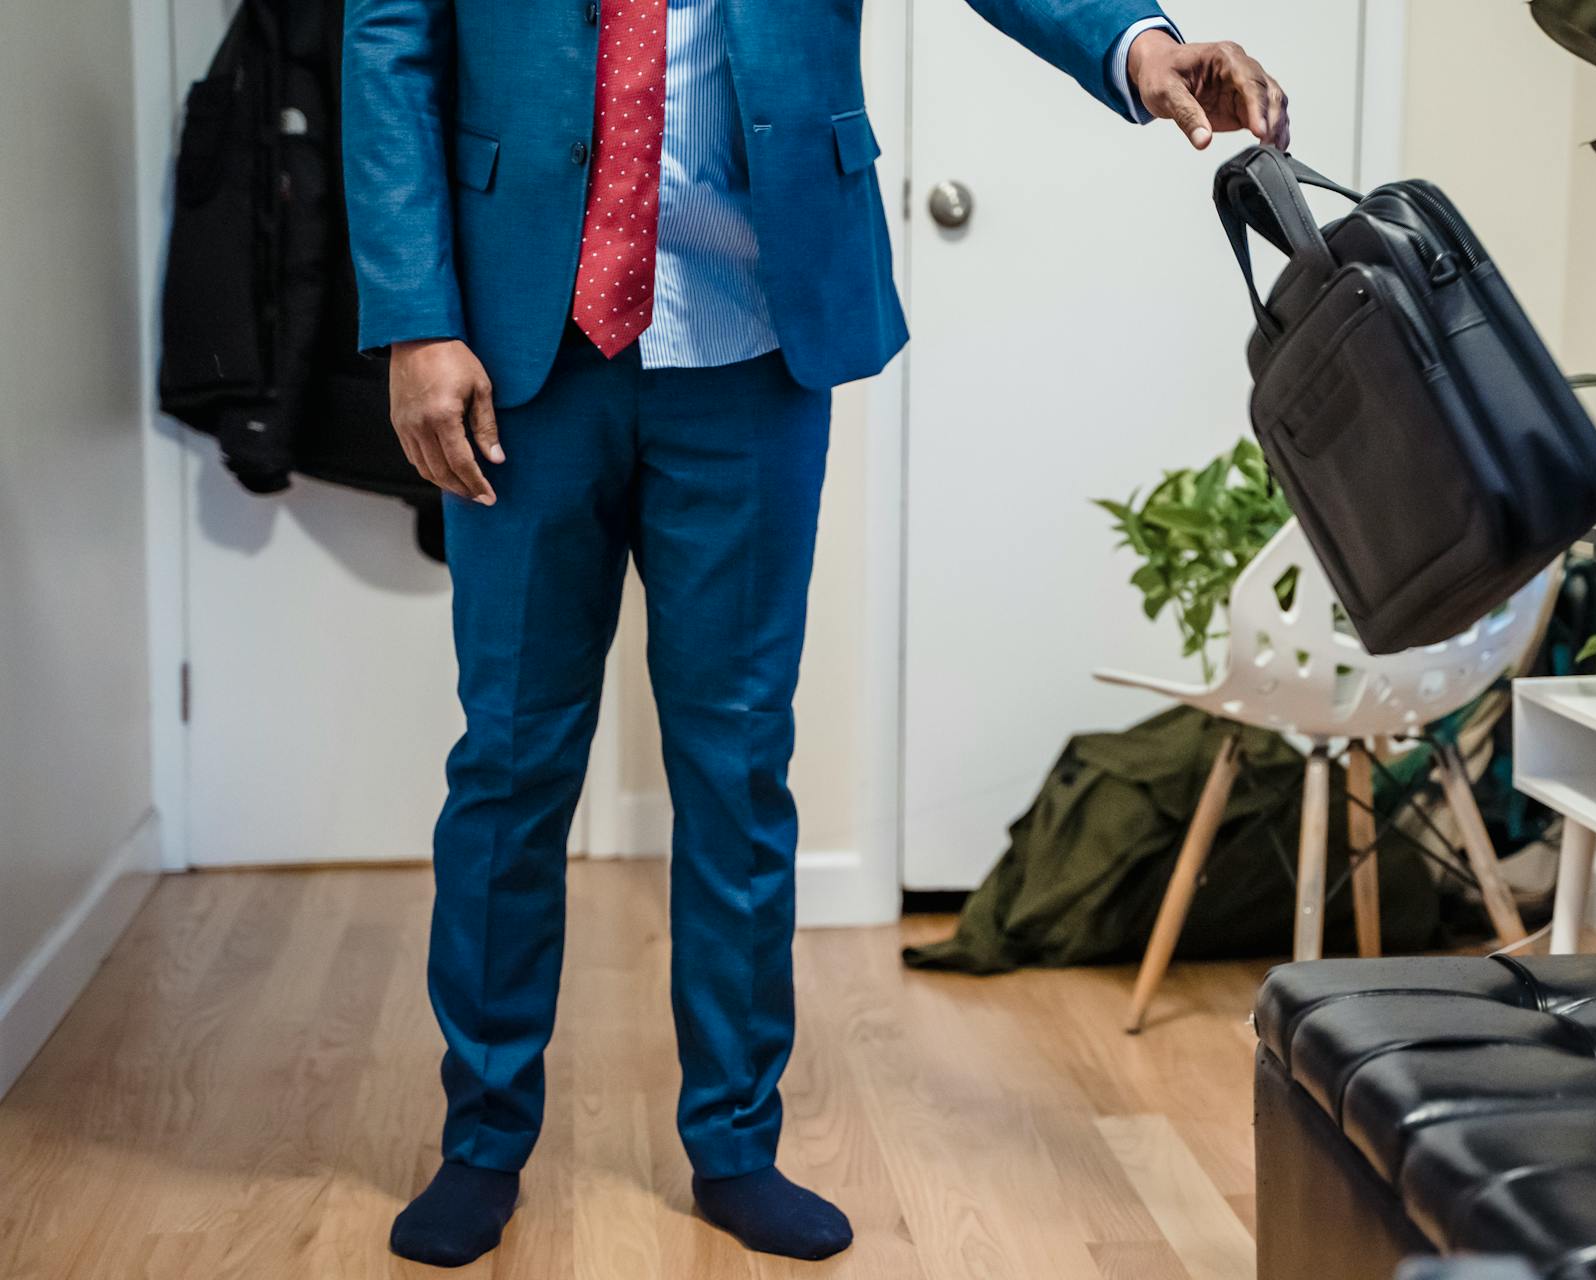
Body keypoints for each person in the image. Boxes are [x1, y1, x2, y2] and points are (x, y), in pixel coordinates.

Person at [341, 0, 1287, 1265]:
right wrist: (414, 311)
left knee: (735, 763)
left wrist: (1142, 47)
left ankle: (734, 1140)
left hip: (750, 334)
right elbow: (389, 37)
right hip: (521, 340)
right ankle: (482, 1140)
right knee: (510, 761)